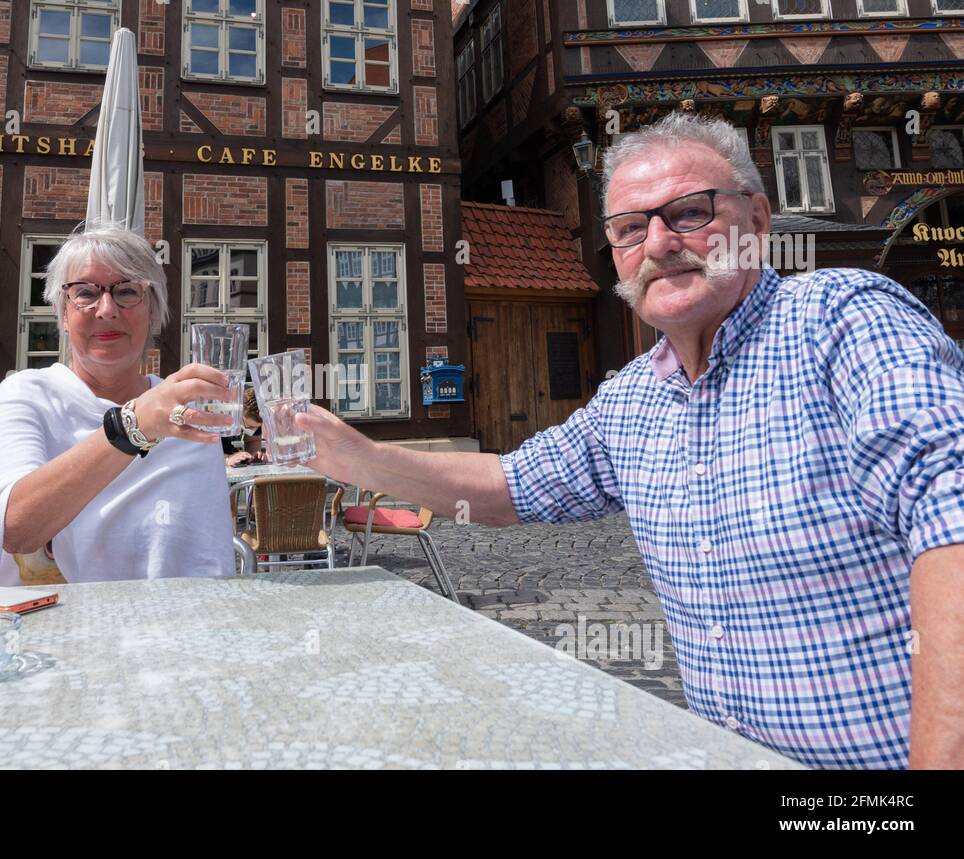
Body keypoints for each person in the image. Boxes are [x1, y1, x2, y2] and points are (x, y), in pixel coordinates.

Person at [294, 112, 964, 770]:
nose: (660, 241)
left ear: (758, 221)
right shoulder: (630, 399)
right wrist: (359, 456)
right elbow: (505, 488)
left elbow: (953, 518)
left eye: (690, 212)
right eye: (630, 228)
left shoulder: (841, 319)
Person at [0, 225, 236, 585]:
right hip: (36, 634)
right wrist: (132, 427)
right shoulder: (27, 395)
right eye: (86, 292)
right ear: (62, 313)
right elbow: (14, 528)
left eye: (126, 292)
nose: (106, 309)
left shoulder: (186, 416)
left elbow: (207, 560)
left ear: (153, 311)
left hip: (168, 632)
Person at [222, 386, 266, 467]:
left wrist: (252, 457)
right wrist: (227, 459)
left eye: (258, 428)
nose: (253, 430)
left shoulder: (256, 418)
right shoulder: (216, 415)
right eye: (249, 426)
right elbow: (204, 452)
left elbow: (252, 440)